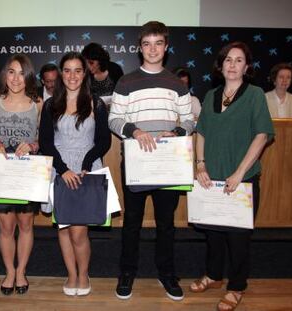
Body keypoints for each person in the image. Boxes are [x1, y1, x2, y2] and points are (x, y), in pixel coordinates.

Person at [108, 21, 194, 301]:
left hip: (169, 163)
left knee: (166, 223)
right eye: (147, 43)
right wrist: (135, 130)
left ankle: (166, 273)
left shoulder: (176, 84)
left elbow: (191, 119)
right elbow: (114, 119)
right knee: (131, 221)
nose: (153, 49)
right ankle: (127, 272)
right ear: (140, 47)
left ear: (166, 47)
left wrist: (178, 131)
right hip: (136, 161)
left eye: (158, 43)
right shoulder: (126, 81)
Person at [191, 42, 274, 311]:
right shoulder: (211, 94)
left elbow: (262, 135)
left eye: (239, 60)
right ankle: (214, 275)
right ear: (221, 64)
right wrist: (200, 165)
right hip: (211, 179)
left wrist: (239, 173)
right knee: (213, 234)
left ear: (247, 67)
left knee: (238, 238)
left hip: (242, 179)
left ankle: (237, 286)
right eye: (228, 59)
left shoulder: (255, 95)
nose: (232, 64)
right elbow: (201, 132)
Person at [39, 52, 111, 296]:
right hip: (59, 168)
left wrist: (87, 163)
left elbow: (104, 141)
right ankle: (71, 274)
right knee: (63, 227)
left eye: (77, 70)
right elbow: (45, 142)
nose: (72, 75)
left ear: (85, 73)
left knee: (79, 230)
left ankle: (83, 274)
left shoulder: (96, 103)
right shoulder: (51, 104)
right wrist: (63, 170)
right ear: (61, 73)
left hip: (86, 169)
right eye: (67, 70)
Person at [0, 54, 42, 295]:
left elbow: (43, 137)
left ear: (28, 77)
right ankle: (8, 271)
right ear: (5, 74)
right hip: (2, 169)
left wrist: (34, 145)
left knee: (26, 224)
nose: (16, 78)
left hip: (28, 169)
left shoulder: (38, 103)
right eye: (11, 72)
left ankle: (21, 271)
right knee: (6, 226)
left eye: (21, 73)